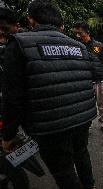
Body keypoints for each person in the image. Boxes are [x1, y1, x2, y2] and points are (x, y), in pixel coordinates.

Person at [2, 1, 97, 189]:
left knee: (64, 172)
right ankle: (90, 185)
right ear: (59, 22)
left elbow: (12, 97)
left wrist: (8, 135)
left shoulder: (20, 44)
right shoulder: (78, 46)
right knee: (81, 154)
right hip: (82, 117)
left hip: (50, 125)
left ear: (30, 19)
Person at [73, 21, 103, 134]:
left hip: (100, 79)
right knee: (86, 106)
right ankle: (87, 126)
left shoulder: (99, 45)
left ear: (87, 32)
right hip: (84, 81)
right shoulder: (76, 46)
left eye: (80, 33)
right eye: (76, 33)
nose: (77, 35)